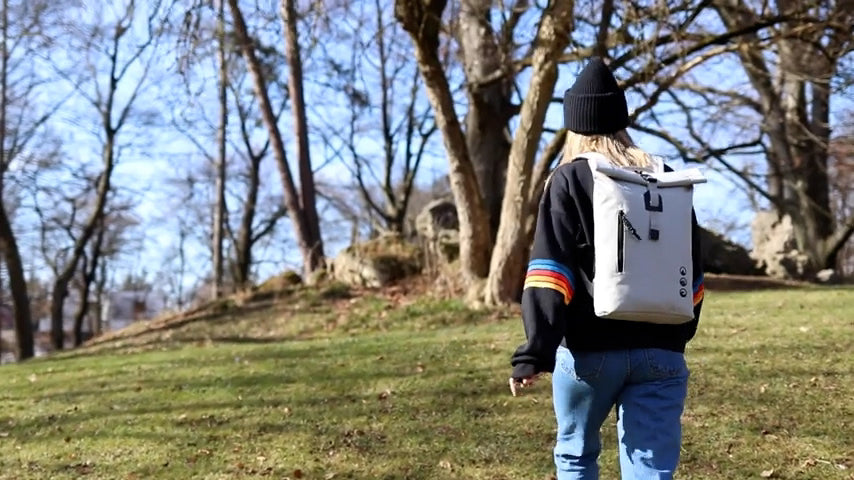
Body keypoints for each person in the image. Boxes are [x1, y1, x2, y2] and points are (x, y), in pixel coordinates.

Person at [509, 57, 704, 480]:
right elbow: (694, 270)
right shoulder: (666, 177)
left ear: (574, 124)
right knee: (651, 468)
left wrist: (534, 354)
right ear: (621, 119)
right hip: (663, 352)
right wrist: (677, 335)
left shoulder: (569, 179)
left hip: (589, 352)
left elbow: (550, 272)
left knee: (577, 456)